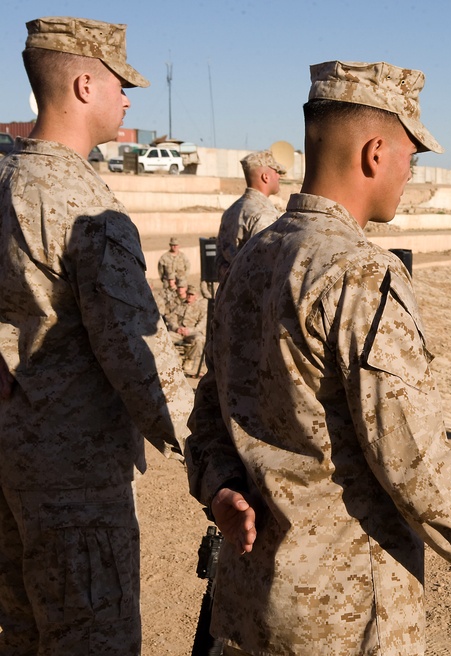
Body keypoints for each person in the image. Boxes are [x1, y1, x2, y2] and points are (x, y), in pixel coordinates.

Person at [185, 60, 451, 655]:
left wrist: (219, 485)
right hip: (344, 621)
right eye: (412, 155)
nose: (412, 172)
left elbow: (209, 410)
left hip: (252, 607)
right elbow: (412, 460)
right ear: (376, 152)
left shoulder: (254, 256)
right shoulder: (359, 273)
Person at [0, 16, 194, 653]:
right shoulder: (82, 201)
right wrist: (216, 453)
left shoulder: (7, 179)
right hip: (76, 487)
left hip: (14, 463)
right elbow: (137, 352)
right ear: (85, 84)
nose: (128, 99)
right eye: (120, 85)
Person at [215, 150, 286, 283]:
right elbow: (267, 266)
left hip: (232, 295)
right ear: (266, 177)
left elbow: (220, 259)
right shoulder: (263, 214)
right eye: (276, 172)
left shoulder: (232, 210)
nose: (279, 176)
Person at [167, 286, 207, 376]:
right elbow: (171, 319)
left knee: (199, 340)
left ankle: (190, 359)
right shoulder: (180, 306)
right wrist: (176, 328)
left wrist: (190, 330)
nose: (189, 296)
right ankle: (177, 358)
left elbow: (202, 324)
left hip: (192, 333)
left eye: (192, 294)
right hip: (179, 332)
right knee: (166, 337)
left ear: (196, 296)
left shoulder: (201, 308)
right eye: (188, 294)